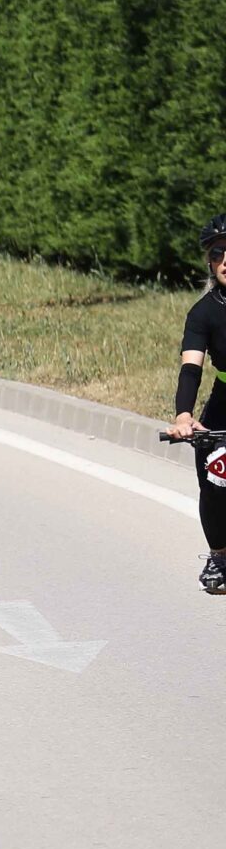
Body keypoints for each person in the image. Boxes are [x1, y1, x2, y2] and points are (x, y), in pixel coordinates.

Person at [170, 213, 226, 593]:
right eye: (218, 253)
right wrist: (184, 415)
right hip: (224, 404)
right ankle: (219, 556)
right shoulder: (203, 312)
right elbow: (191, 369)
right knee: (214, 477)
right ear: (210, 262)